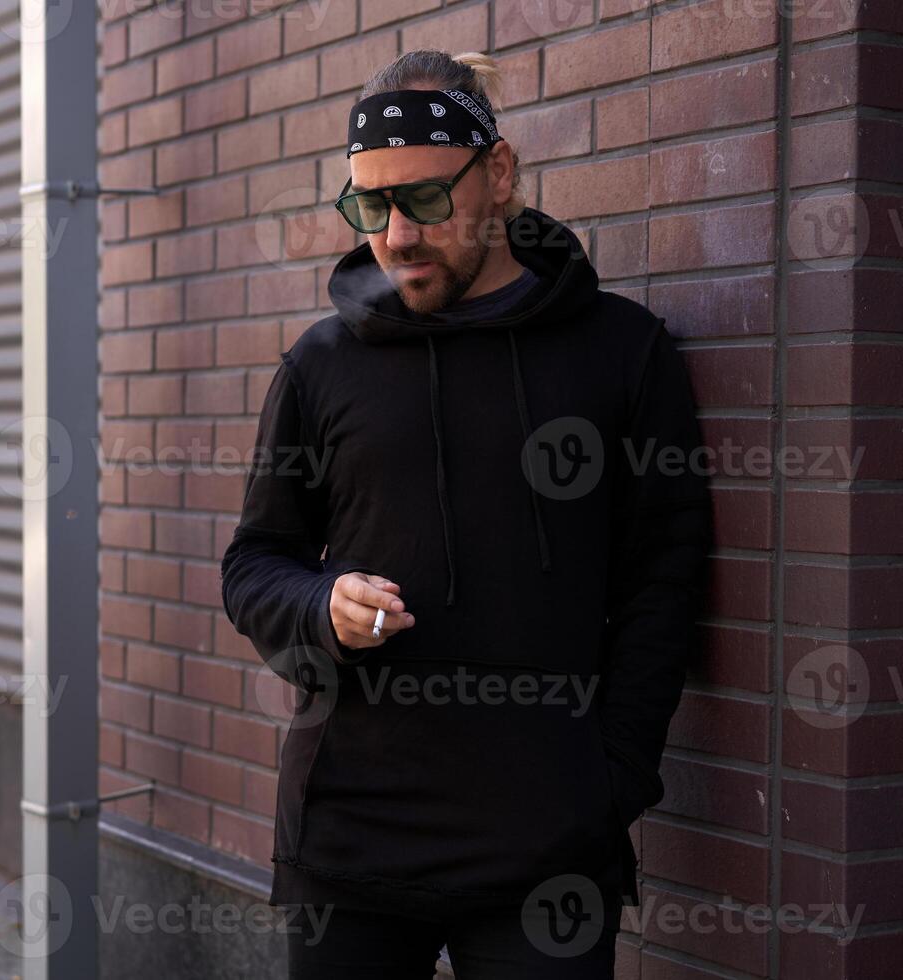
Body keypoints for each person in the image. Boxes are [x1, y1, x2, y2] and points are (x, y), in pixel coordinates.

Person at [220, 49, 712, 979]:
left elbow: (664, 585)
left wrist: (609, 784)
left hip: (549, 844)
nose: (397, 235)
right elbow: (256, 563)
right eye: (370, 208)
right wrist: (319, 608)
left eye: (426, 201)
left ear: (500, 176)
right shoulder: (322, 365)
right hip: (354, 838)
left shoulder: (622, 353)